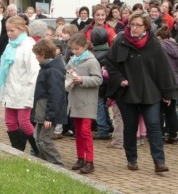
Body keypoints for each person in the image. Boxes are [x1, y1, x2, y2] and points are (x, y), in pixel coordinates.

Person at [106, 10, 177, 172]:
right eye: (132, 24)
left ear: (145, 26)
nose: (134, 28)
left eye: (138, 25)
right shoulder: (121, 41)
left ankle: (159, 162)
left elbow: (163, 69)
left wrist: (167, 93)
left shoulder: (154, 44)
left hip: (149, 92)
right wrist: (119, 79)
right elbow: (110, 63)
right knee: (130, 127)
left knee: (154, 125)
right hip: (127, 92)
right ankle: (132, 159)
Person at [0, 16, 39, 154]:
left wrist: (30, 94)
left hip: (24, 90)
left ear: (21, 29)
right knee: (10, 122)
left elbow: (34, 71)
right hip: (10, 90)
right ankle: (17, 150)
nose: (8, 33)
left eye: (12, 31)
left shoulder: (28, 46)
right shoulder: (10, 45)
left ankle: (39, 149)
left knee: (24, 123)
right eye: (7, 31)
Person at [66, 32, 103, 174]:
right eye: (73, 49)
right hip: (75, 99)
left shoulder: (92, 61)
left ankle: (90, 161)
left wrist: (82, 80)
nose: (75, 52)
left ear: (84, 47)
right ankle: (80, 157)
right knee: (78, 131)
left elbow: (98, 79)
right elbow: (67, 75)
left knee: (85, 131)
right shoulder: (71, 61)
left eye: (77, 49)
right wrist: (69, 80)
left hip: (87, 101)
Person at [32, 39, 67, 166]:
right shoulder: (46, 68)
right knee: (38, 139)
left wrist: (49, 117)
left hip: (48, 113)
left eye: (37, 54)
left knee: (44, 140)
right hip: (42, 111)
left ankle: (58, 166)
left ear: (43, 53)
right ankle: (45, 164)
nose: (36, 57)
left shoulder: (52, 70)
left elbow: (55, 95)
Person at [156, 25, 178, 144]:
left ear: (159, 37)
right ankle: (173, 134)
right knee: (171, 110)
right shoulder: (176, 46)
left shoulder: (159, 46)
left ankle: (160, 134)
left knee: (160, 110)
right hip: (175, 81)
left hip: (165, 81)